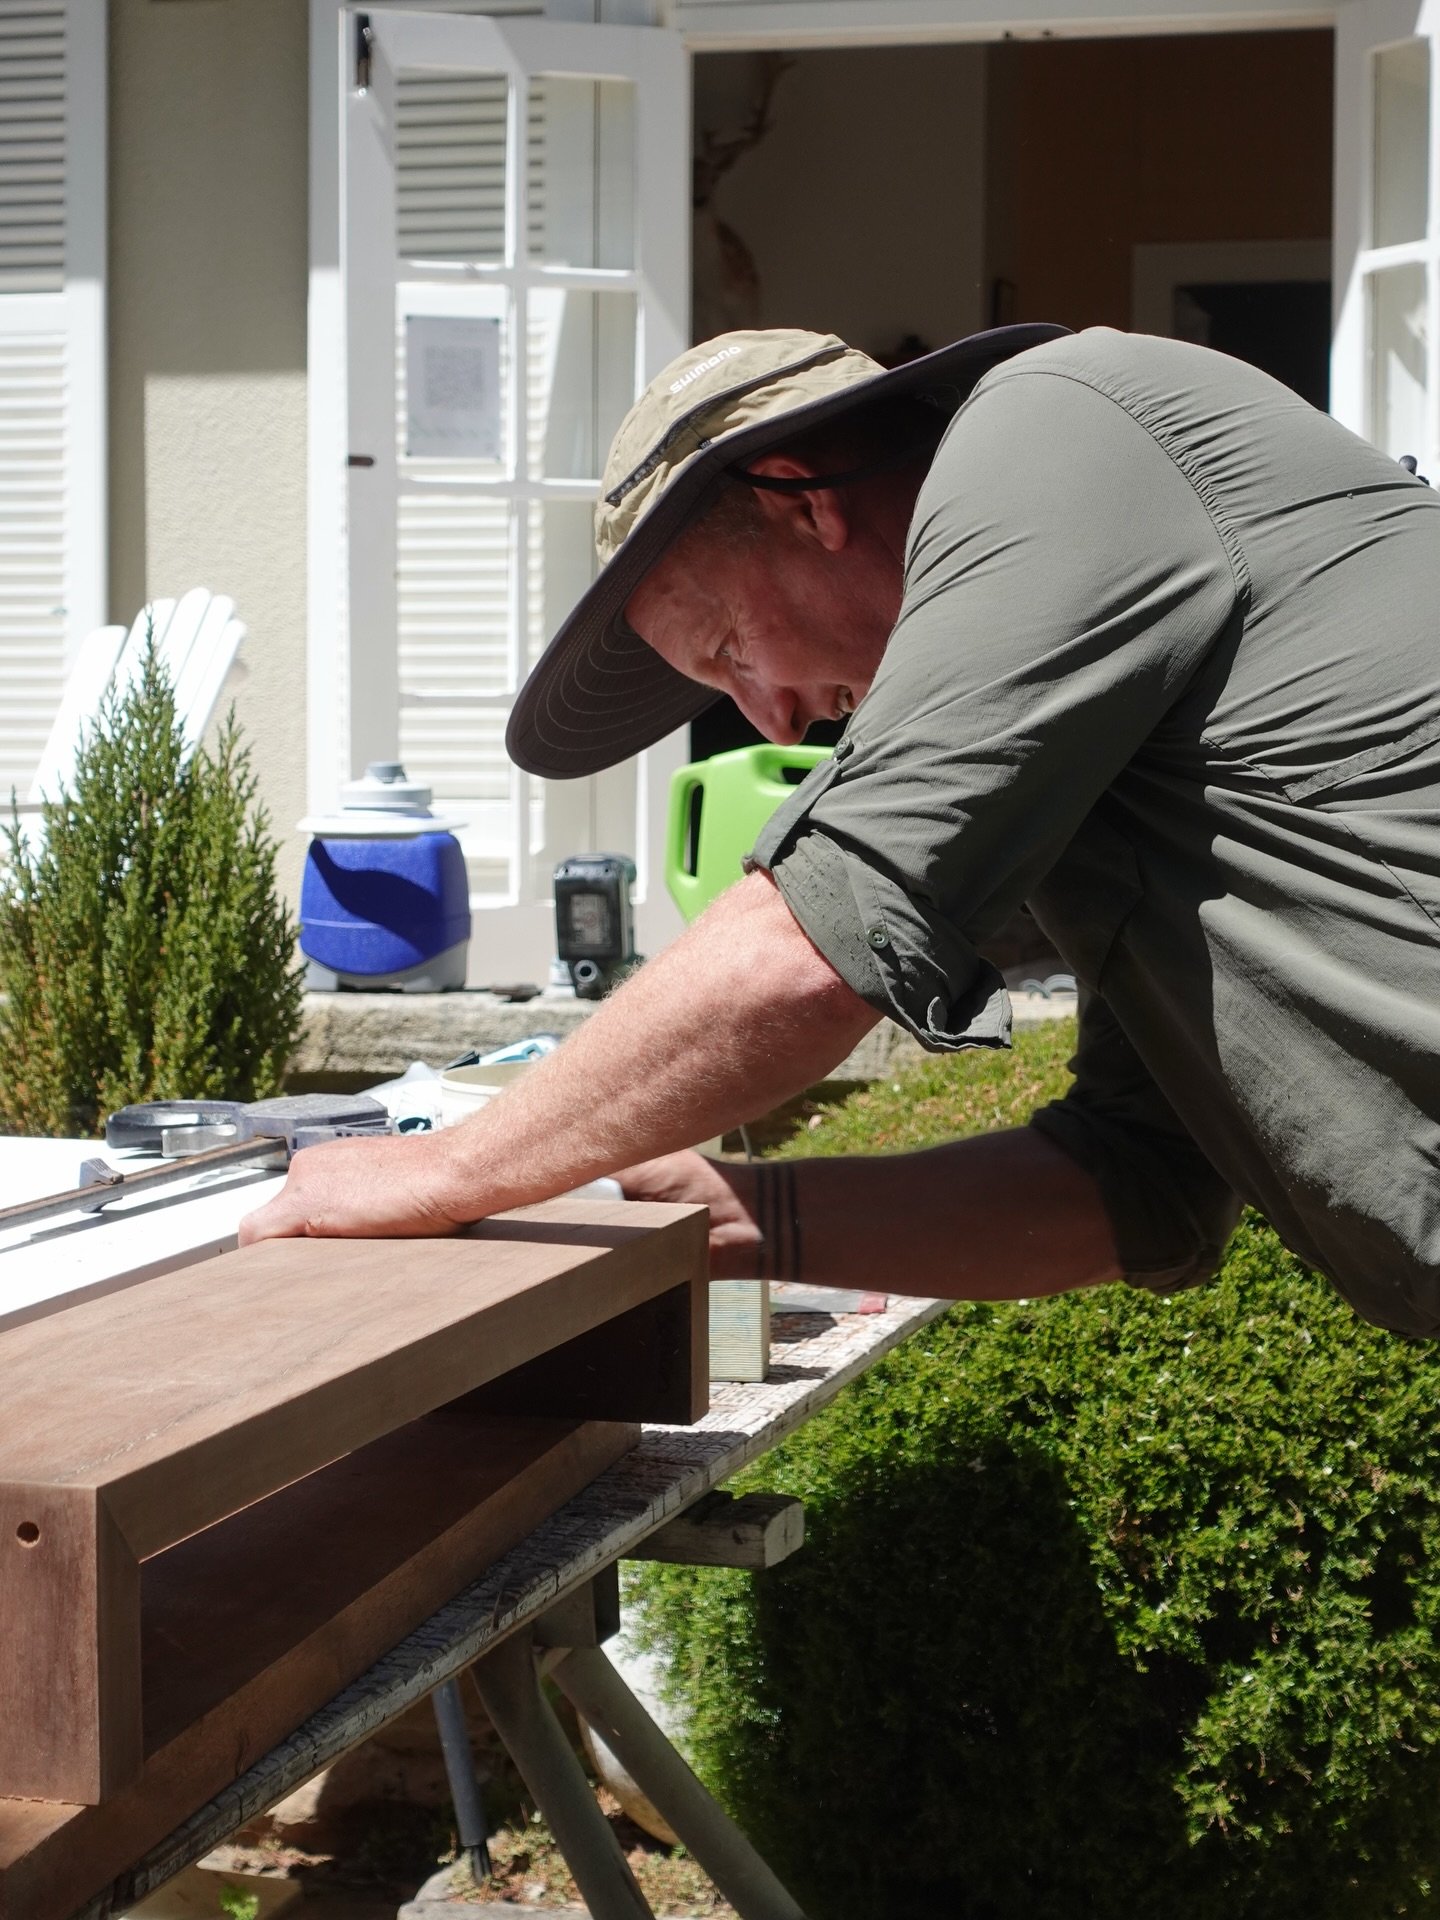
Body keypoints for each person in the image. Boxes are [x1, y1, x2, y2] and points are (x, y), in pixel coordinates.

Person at [241, 323, 1440, 1335]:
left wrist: (444, 1170)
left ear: (804, 503)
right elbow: (1135, 1189)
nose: (767, 716)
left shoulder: (1061, 429)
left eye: (729, 649)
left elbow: (810, 951)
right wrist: (734, 1212)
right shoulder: (1103, 755)